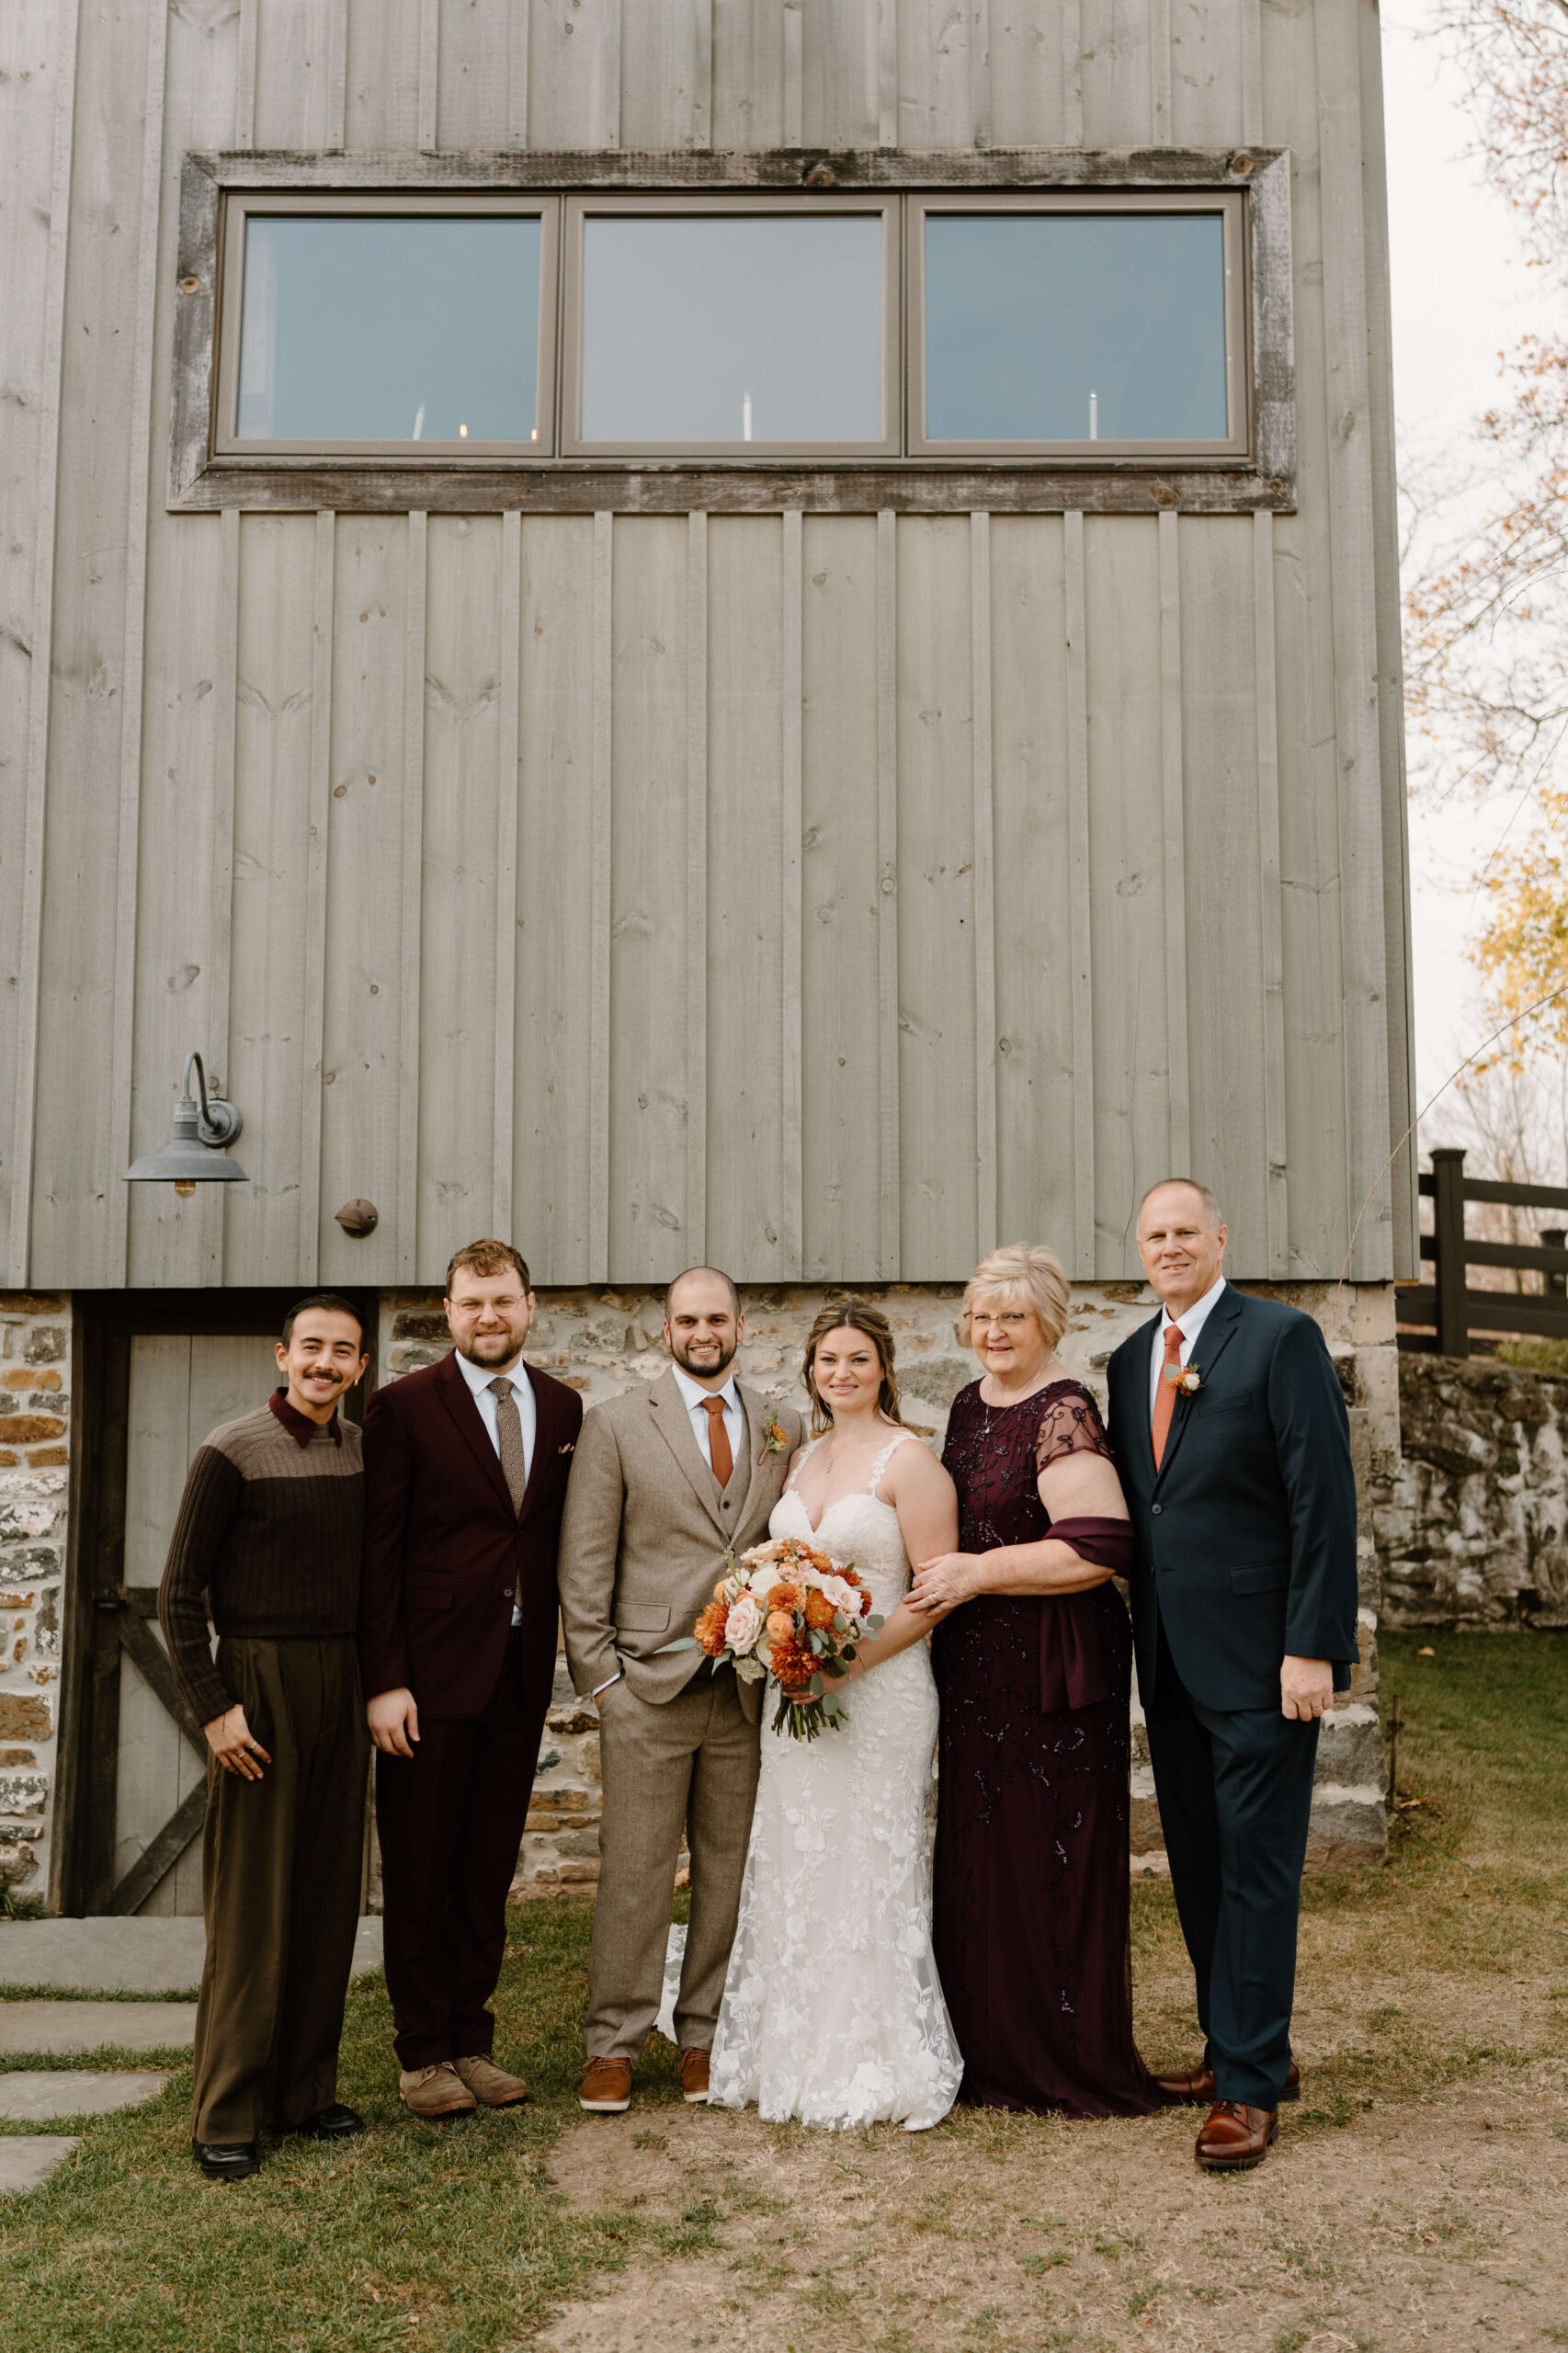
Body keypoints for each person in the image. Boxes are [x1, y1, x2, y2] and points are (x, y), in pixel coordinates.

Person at [1105, 1180, 1360, 2172]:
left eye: (1184, 1232)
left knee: (1255, 1869)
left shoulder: (1277, 1339)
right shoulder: (1132, 1358)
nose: (1169, 1247)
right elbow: (1149, 1513)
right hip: (1168, 1660)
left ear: (1218, 1238)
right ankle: (1237, 2046)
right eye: (1153, 1235)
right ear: (1140, 1250)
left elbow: (1320, 1501)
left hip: (1263, 1661)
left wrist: (1312, 1644)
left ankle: (1250, 2089)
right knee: (1201, 1865)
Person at [907, 1243, 1160, 2120]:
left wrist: (979, 1574)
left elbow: (1099, 1545)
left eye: (1012, 1315)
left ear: (1049, 1319)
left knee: (1047, 1848)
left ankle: (1061, 2055)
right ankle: (985, 2048)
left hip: (1052, 1662)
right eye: (982, 1314)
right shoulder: (969, 1404)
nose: (993, 1331)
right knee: (984, 1849)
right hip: (977, 1662)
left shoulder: (1064, 1411)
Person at [710, 1297, 964, 2131]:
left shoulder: (911, 1461)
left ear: (884, 1366)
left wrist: (844, 1666)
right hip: (796, 1701)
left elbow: (933, 1596)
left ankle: (872, 2054)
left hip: (883, 1695)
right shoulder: (801, 1458)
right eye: (827, 1361)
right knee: (796, 1856)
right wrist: (776, 1644)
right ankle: (787, 2045)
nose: (841, 1374)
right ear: (810, 1372)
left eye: (857, 1359)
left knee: (867, 1862)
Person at [558, 1267, 803, 2115]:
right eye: (687, 1320)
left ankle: (705, 2034)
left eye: (718, 1319)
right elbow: (585, 1559)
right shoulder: (618, 1425)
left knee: (731, 1868)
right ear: (666, 1329)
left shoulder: (784, 1422)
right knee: (636, 1870)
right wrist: (602, 1682)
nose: (704, 1333)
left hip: (745, 1690)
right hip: (648, 1686)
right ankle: (614, 2043)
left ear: (741, 1324)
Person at [359, 1239, 583, 2121]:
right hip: (427, 1680)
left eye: (502, 1301)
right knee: (422, 1868)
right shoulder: (404, 1407)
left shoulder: (565, 1408)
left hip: (520, 1676)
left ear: (530, 1307)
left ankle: (470, 2041)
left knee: (487, 1866)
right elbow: (377, 1557)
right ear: (447, 1313)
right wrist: (385, 1679)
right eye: (470, 1304)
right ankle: (421, 2056)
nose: (488, 1317)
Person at [158, 1291, 371, 2182]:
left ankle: (303, 2093)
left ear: (360, 1365)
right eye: (311, 1346)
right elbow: (177, 1593)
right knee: (252, 1907)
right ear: (282, 1354)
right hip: (258, 1682)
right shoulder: (230, 1447)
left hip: (343, 1682)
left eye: (343, 1350)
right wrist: (214, 1706)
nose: (325, 1362)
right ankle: (228, 2108)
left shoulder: (364, 1453)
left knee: (328, 1896)